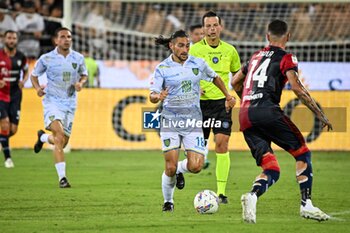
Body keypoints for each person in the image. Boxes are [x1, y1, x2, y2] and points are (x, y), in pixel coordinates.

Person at [231, 19, 332, 223]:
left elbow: (234, 81)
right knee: (302, 152)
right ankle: (306, 205)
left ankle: (252, 196)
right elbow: (296, 87)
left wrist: (247, 100)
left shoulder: (254, 57)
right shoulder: (287, 57)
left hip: (245, 114)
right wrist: (319, 112)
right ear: (288, 36)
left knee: (271, 169)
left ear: (267, 37)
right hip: (267, 111)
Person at [150, 30, 236, 212]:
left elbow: (215, 78)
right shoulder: (162, 68)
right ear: (171, 46)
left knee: (196, 166)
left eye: (187, 45)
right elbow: (152, 95)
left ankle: (182, 169)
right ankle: (168, 202)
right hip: (171, 121)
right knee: (170, 167)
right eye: (180, 45)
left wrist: (227, 95)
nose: (185, 49)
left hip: (193, 122)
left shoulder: (198, 63)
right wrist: (159, 96)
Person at [189, 11, 241, 204]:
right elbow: (184, 74)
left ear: (220, 27)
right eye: (208, 26)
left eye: (214, 25)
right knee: (196, 163)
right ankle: (179, 169)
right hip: (199, 106)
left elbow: (237, 77)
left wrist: (237, 96)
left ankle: (221, 193)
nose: (211, 29)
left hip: (222, 104)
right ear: (203, 29)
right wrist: (195, 88)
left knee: (222, 144)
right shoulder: (194, 51)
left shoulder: (230, 50)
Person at [30, 27, 87, 188]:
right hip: (52, 102)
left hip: (70, 103)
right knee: (59, 136)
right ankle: (62, 178)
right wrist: (37, 89)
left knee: (62, 142)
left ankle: (42, 138)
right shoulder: (47, 58)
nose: (66, 39)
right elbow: (33, 75)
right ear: (56, 40)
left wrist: (80, 83)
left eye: (69, 36)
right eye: (62, 37)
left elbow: (84, 74)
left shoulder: (78, 58)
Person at [0, 30, 28, 168]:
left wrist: (23, 81)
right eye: (9, 38)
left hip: (16, 95)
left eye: (14, 38)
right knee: (4, 124)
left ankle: (2, 141)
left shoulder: (21, 56)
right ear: (4, 39)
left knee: (13, 129)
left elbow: (27, 70)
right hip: (1, 95)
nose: (11, 40)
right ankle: (8, 159)